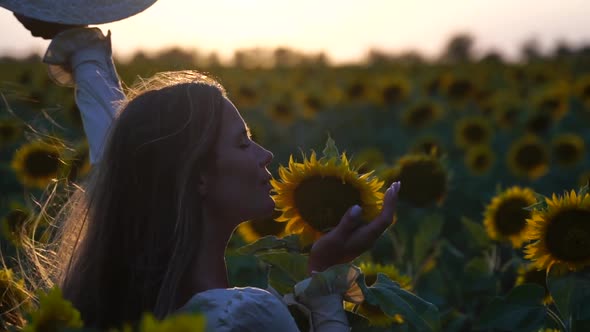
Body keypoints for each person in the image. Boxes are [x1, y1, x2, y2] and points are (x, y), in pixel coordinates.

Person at [12, 13, 401, 332]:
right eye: (243, 142)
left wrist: (84, 54)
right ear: (197, 176)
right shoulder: (243, 317)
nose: (265, 155)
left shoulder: (131, 307)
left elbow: (124, 160)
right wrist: (327, 286)